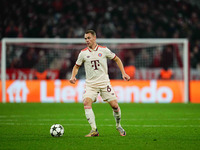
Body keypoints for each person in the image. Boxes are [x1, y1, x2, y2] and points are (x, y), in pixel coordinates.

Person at [69, 30, 130, 137]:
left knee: (115, 106)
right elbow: (76, 66)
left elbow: (117, 59)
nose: (87, 40)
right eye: (85, 38)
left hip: (104, 83)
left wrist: (123, 73)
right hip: (90, 84)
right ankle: (94, 130)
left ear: (94, 38)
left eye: (88, 38)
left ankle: (118, 125)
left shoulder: (104, 50)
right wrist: (73, 76)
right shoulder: (83, 53)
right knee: (86, 102)